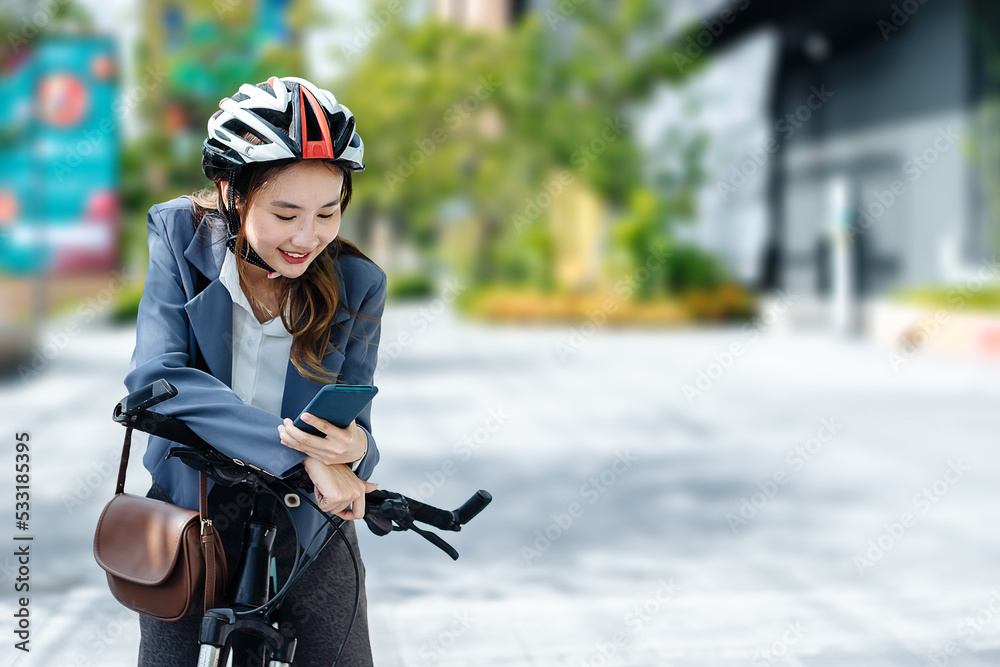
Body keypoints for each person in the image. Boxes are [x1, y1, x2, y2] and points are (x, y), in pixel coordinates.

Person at [124, 76, 384, 666]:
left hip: (309, 519)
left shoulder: (359, 284)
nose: (307, 237)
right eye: (285, 212)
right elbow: (156, 382)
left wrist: (354, 448)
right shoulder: (179, 234)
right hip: (193, 510)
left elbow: (355, 427)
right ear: (233, 193)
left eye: (327, 212)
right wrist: (300, 451)